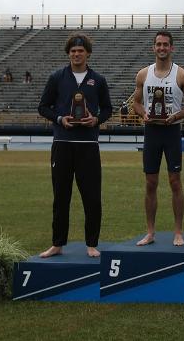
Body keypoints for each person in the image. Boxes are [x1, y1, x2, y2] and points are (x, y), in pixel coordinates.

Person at [37, 33, 112, 258]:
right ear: (68, 53)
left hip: (88, 145)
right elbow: (43, 107)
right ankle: (57, 244)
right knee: (61, 196)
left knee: (91, 197)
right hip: (62, 144)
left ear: (87, 53)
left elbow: (108, 109)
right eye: (73, 51)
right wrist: (60, 119)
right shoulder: (57, 77)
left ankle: (91, 243)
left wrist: (96, 119)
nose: (76, 54)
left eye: (80, 51)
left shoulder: (97, 80)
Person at [131, 31, 184, 246]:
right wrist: (143, 114)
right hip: (152, 131)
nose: (162, 48)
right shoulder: (143, 74)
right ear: (153, 47)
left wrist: (176, 116)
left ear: (171, 48)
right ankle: (150, 232)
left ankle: (178, 231)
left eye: (165, 45)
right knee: (150, 182)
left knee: (175, 181)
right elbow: (137, 103)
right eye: (158, 44)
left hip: (171, 131)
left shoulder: (182, 75)